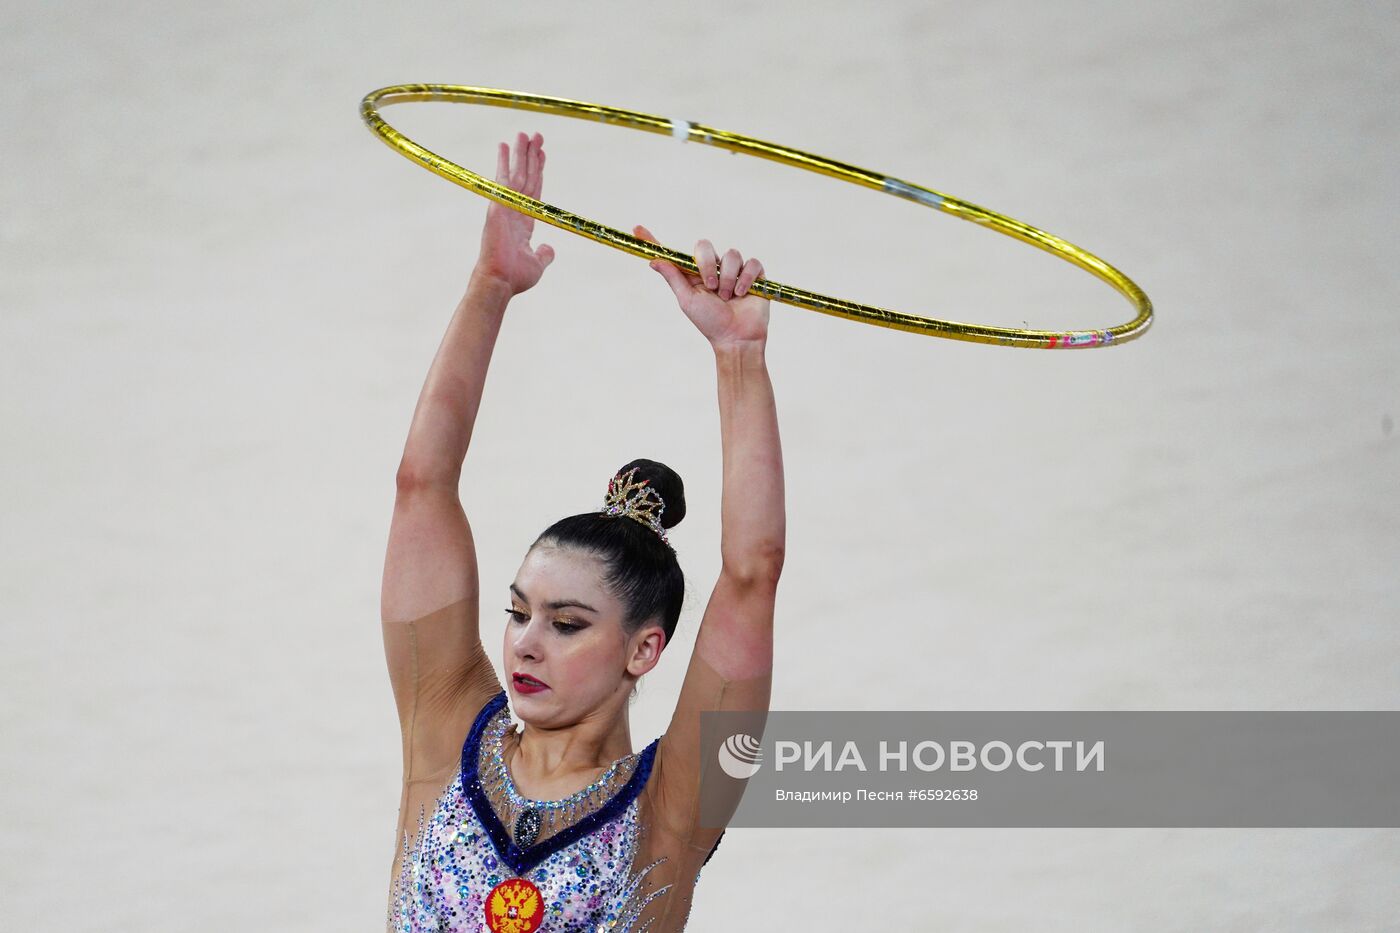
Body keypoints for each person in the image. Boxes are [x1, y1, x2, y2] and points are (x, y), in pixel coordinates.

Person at [380, 130, 785, 932]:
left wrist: (739, 358)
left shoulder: (674, 803)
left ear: (645, 647)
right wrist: (490, 285)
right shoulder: (446, 726)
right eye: (520, 611)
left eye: (567, 623)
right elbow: (420, 486)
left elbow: (752, 572)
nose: (527, 642)